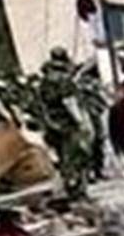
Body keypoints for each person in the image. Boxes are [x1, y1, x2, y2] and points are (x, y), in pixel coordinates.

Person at [34, 47, 100, 196]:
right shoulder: (63, 79)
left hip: (51, 124)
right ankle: (76, 188)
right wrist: (81, 121)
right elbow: (69, 101)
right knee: (76, 156)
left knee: (64, 158)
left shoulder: (43, 81)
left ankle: (69, 185)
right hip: (67, 124)